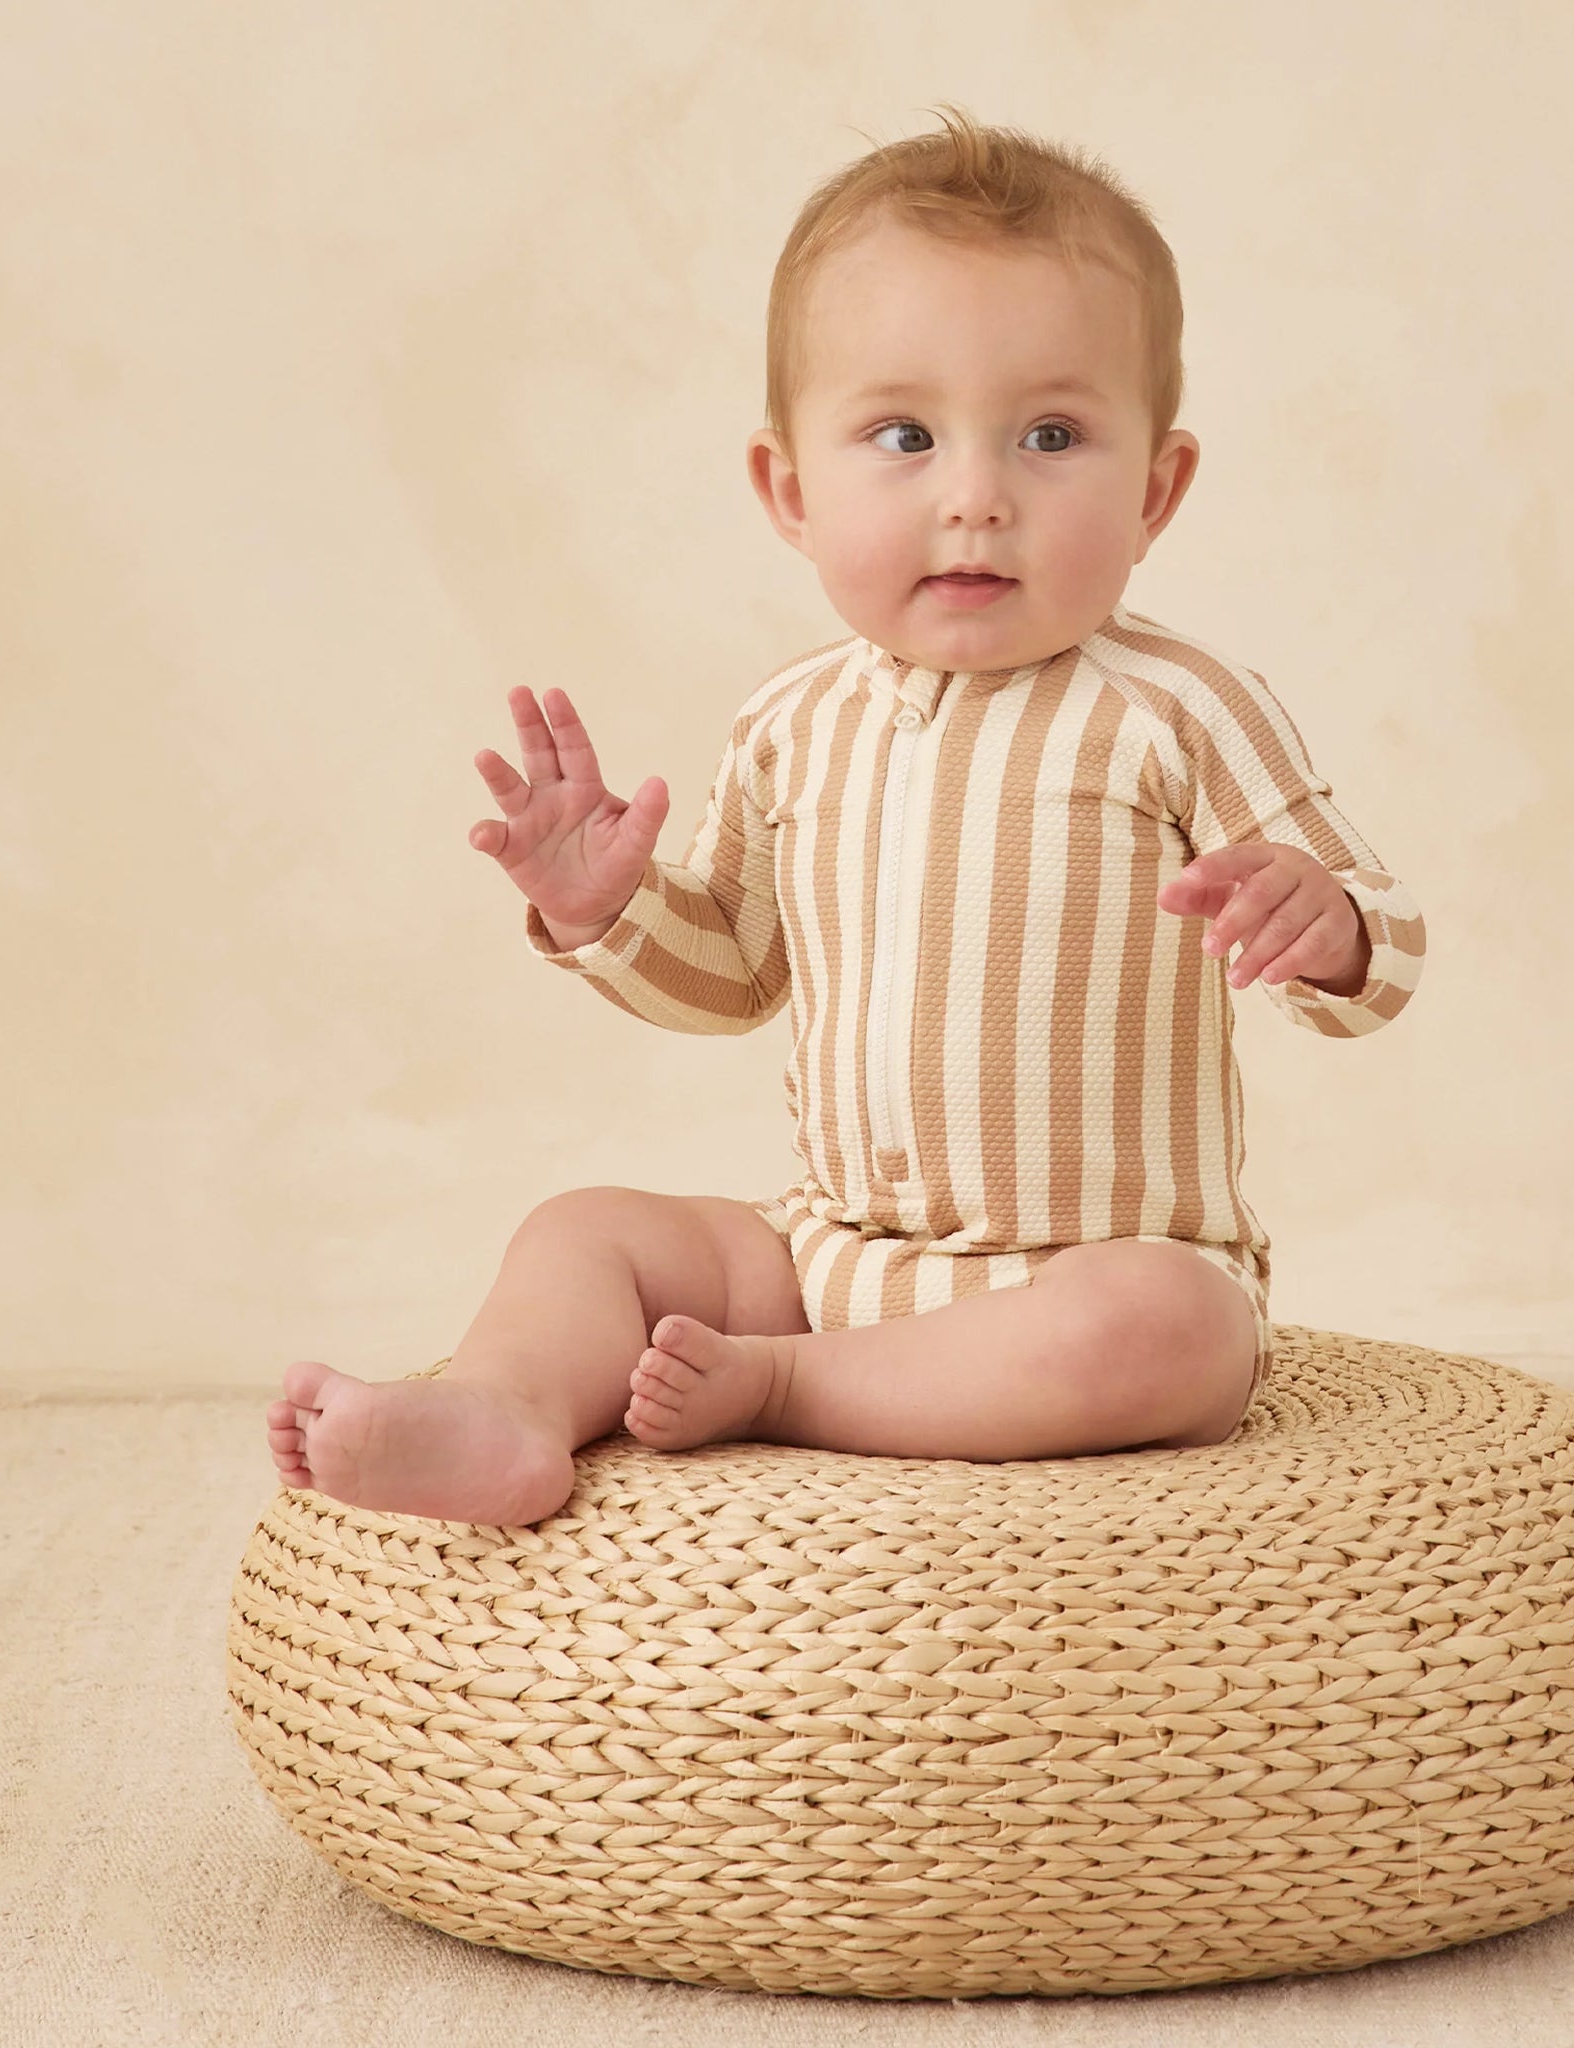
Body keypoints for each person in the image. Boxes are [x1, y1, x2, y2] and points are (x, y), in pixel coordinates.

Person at [265, 104, 1426, 1524]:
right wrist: (607, 909)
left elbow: (1384, 950)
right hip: (827, 1260)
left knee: (1173, 1331)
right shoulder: (794, 721)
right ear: (791, 490)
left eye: (1052, 435)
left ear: (1156, 490)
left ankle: (786, 1391)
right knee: (587, 1231)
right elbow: (734, 973)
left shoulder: (1181, 711)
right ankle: (503, 1411)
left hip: (1090, 1276)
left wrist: (1328, 927)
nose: (977, 498)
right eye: (905, 435)